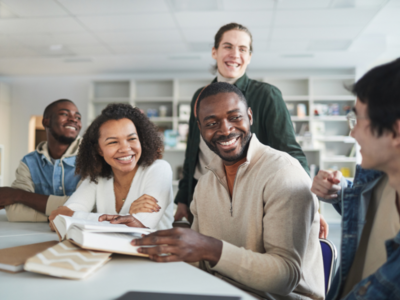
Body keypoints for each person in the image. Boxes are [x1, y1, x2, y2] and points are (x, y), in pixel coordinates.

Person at [101, 83, 324, 300]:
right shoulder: (206, 184)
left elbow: (285, 277)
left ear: (250, 116)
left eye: (235, 117)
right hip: (218, 289)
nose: (225, 129)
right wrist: (144, 234)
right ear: (200, 129)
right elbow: (199, 259)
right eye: (212, 123)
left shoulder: (284, 173)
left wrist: (211, 249)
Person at [174, 22, 308, 223]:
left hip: (251, 198)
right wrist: (183, 200)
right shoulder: (199, 97)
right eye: (228, 46)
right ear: (214, 52)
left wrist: (309, 202)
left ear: (249, 57)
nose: (235, 54)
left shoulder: (267, 95)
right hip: (202, 196)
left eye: (243, 49)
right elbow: (192, 152)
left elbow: (290, 153)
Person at [311, 58, 400, 300]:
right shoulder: (379, 177)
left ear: (395, 132)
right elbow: (369, 206)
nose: (353, 132)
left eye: (358, 120)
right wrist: (339, 191)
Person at [49, 103, 174, 230]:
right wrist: (127, 216)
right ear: (99, 149)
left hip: (154, 250)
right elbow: (57, 220)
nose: (125, 148)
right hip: (106, 250)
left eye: (132, 139)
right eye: (113, 142)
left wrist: (77, 216)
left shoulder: (159, 169)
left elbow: (139, 228)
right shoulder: (98, 177)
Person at [0, 99, 82, 222]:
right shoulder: (28, 162)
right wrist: (64, 217)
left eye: (78, 117)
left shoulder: (92, 158)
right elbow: (14, 212)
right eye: (65, 114)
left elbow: (86, 207)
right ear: (46, 122)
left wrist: (17, 195)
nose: (74, 119)